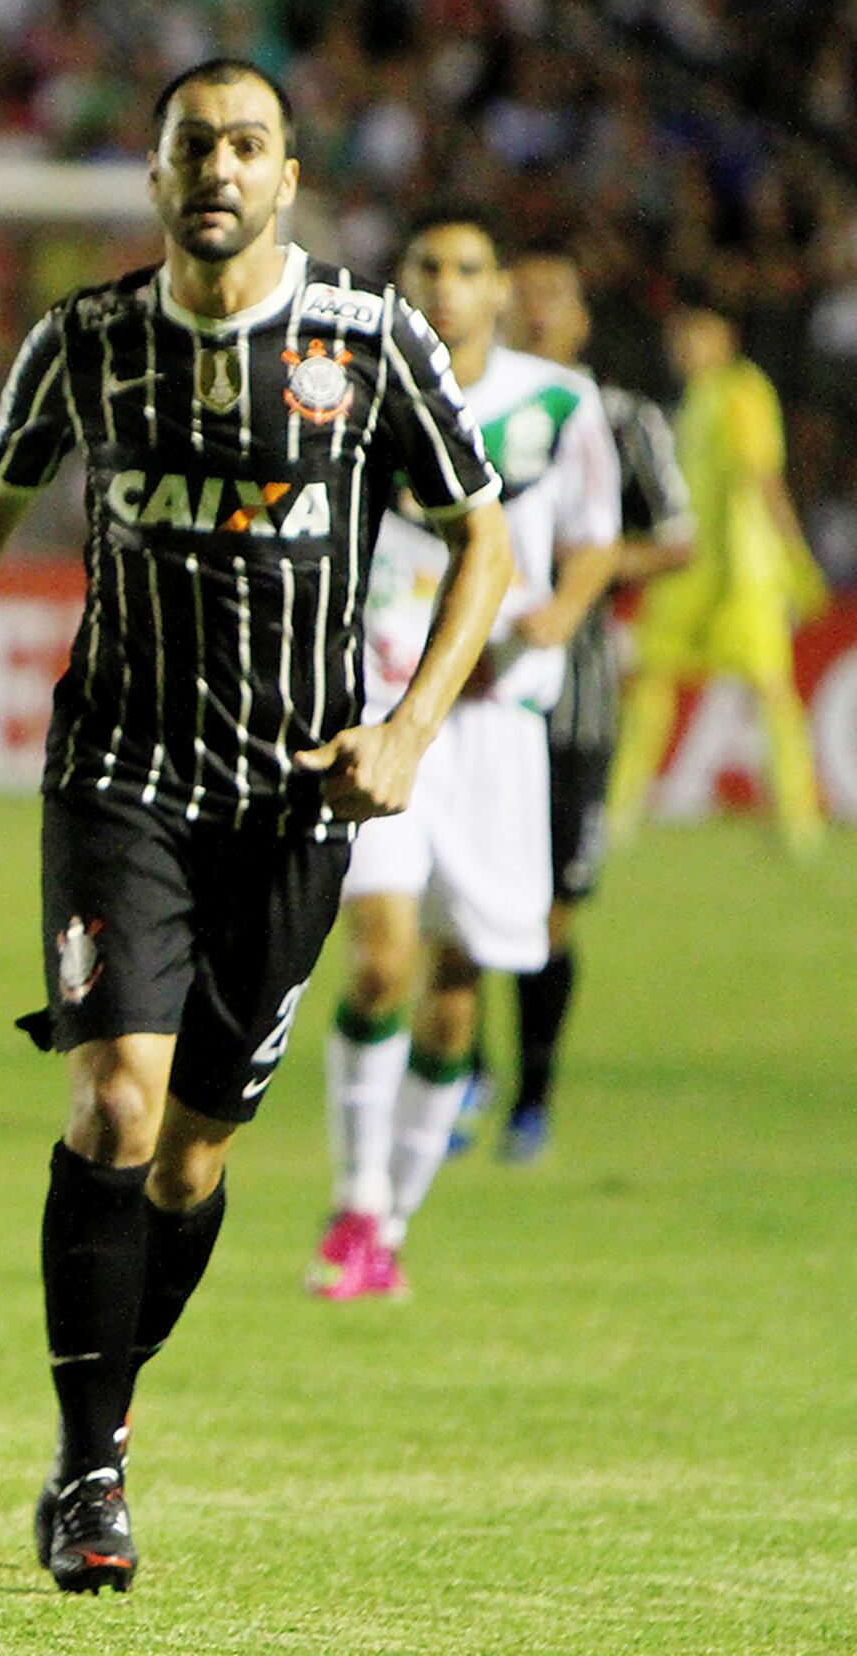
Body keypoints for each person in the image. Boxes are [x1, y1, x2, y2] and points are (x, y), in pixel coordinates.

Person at [0, 60, 510, 1593]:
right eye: (190, 145)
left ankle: (107, 1420)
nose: (218, 166)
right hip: (121, 779)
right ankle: (87, 1473)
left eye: (248, 144)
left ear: (291, 177)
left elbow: (481, 534)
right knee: (118, 1112)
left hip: (295, 803)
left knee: (195, 1162)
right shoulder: (81, 344)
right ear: (154, 179)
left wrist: (410, 726)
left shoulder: (370, 341)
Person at [309, 212, 617, 1300]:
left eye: (469, 270)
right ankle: (353, 1204)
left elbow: (594, 536)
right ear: (401, 283)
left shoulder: (557, 403)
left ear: (501, 294)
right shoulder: (348, 385)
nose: (446, 285)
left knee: (453, 990)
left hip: (498, 727)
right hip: (384, 714)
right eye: (427, 267)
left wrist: (562, 612)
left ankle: (392, 1213)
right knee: (380, 956)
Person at [494, 250, 693, 1162]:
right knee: (450, 904)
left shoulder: (622, 420)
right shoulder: (469, 411)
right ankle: (456, 1071)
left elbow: (677, 541)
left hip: (576, 701)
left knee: (552, 909)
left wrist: (587, 567)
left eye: (554, 297)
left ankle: (531, 1097)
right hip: (476, 693)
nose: (537, 310)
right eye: (523, 295)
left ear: (580, 320)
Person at [607, 307, 830, 858]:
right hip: (688, 570)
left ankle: (798, 820)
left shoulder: (741, 391)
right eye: (677, 337)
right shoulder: (697, 398)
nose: (683, 348)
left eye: (694, 336)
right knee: (651, 685)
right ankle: (616, 813)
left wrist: (795, 559)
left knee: (770, 689)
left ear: (723, 339)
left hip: (744, 571)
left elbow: (760, 479)